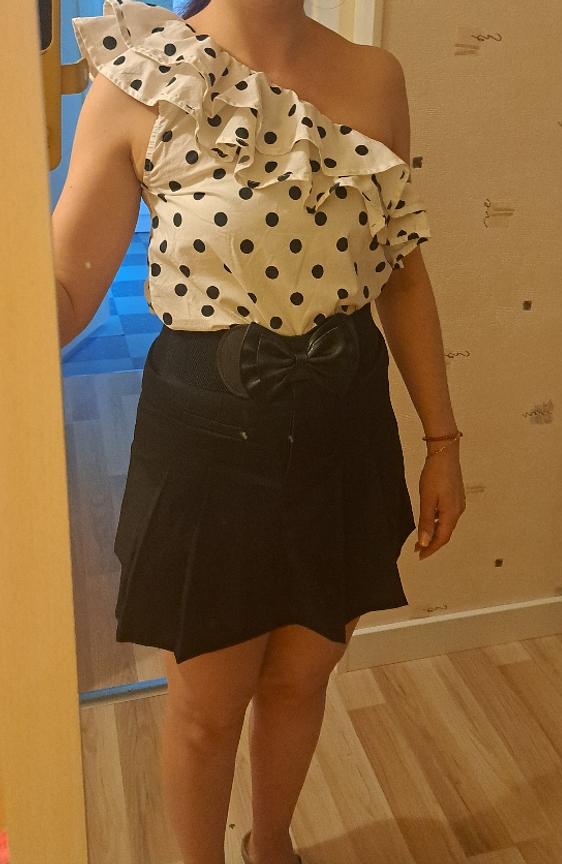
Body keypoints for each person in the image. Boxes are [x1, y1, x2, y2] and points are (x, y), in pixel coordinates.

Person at [53, 1, 466, 862]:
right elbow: (64, 294)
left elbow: (401, 273)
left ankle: (271, 846)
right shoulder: (142, 78)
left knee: (303, 678)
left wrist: (442, 443)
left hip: (347, 425)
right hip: (205, 441)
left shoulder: (376, 76)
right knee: (206, 710)